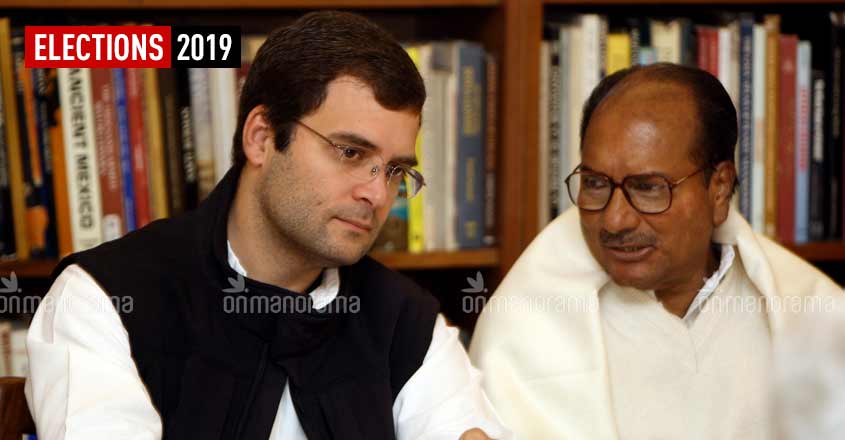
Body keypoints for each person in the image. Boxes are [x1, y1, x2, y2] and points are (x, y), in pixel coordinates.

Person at [25, 11, 505, 440]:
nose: (378, 195)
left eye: (395, 170)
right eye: (350, 153)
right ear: (261, 138)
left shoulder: (406, 322)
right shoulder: (102, 299)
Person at [469, 63, 844, 439]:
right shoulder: (523, 331)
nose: (615, 220)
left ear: (718, 188)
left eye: (648, 187)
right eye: (596, 184)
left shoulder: (811, 316)